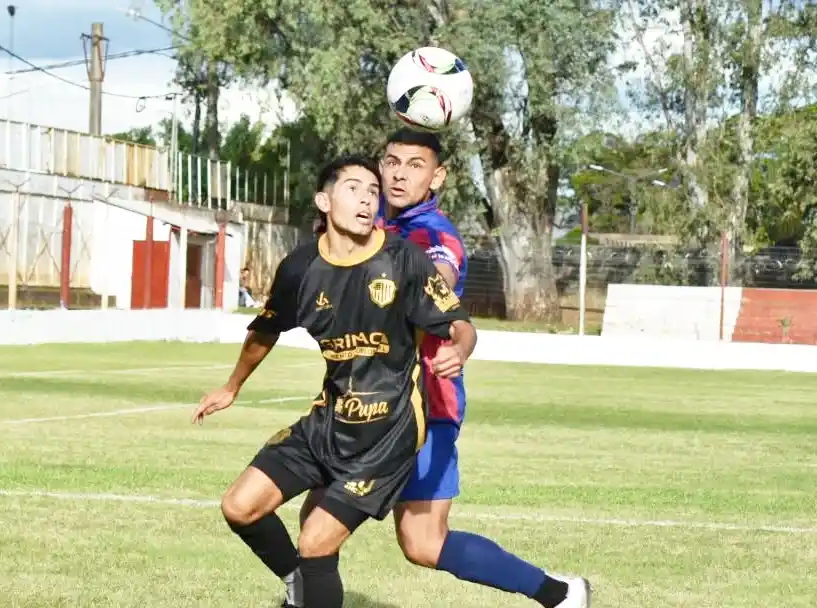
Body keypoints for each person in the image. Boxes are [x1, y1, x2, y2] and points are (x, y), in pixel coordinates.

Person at [294, 129, 591, 607]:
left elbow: (438, 281)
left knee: (423, 543)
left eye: (416, 165)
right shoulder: (367, 226)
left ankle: (558, 593)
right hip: (362, 405)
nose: (400, 173)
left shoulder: (434, 236)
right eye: (392, 161)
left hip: (424, 408)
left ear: (438, 176)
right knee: (316, 514)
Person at [192, 154, 478, 608]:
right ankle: (299, 587)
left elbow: (460, 323)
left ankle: (307, 587)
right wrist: (232, 386)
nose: (367, 199)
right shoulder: (300, 269)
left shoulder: (403, 259)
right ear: (325, 201)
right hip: (328, 422)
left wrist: (459, 350)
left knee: (316, 541)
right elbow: (264, 330)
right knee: (239, 507)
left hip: (387, 433)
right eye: (354, 190)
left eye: (371, 191)